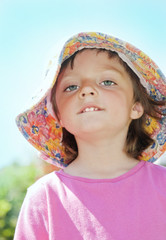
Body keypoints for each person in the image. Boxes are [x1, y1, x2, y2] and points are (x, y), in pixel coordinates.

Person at [14, 32, 166, 239]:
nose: (86, 90)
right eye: (71, 86)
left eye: (107, 82)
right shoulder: (44, 197)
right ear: (59, 118)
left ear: (136, 107)